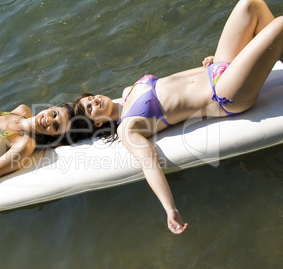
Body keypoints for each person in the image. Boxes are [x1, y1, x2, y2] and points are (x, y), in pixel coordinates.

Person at [74, 0, 282, 234]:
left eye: (90, 99)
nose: (93, 101)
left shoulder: (128, 91)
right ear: (99, 123)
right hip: (222, 93)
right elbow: (148, 164)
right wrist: (169, 208)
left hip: (216, 71)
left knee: (251, 4)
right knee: (280, 25)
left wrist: (205, 67)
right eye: (90, 109)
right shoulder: (127, 129)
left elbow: (175, 80)